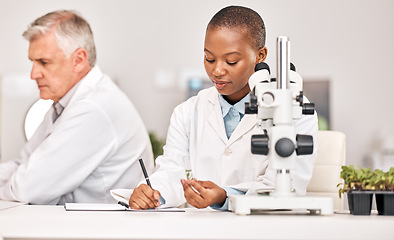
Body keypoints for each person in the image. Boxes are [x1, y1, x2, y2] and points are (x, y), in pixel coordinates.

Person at [0, 10, 154, 205]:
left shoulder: (94, 107)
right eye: (32, 62)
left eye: (44, 63)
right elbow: (23, 163)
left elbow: (28, 189)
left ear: (78, 60)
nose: (33, 74)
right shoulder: (66, 103)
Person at [129, 5, 318, 210]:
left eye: (231, 61)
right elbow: (172, 173)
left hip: (265, 228)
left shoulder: (293, 110)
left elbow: (285, 187)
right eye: (209, 58)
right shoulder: (187, 113)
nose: (217, 70)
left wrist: (225, 197)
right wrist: (153, 193)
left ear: (260, 56)